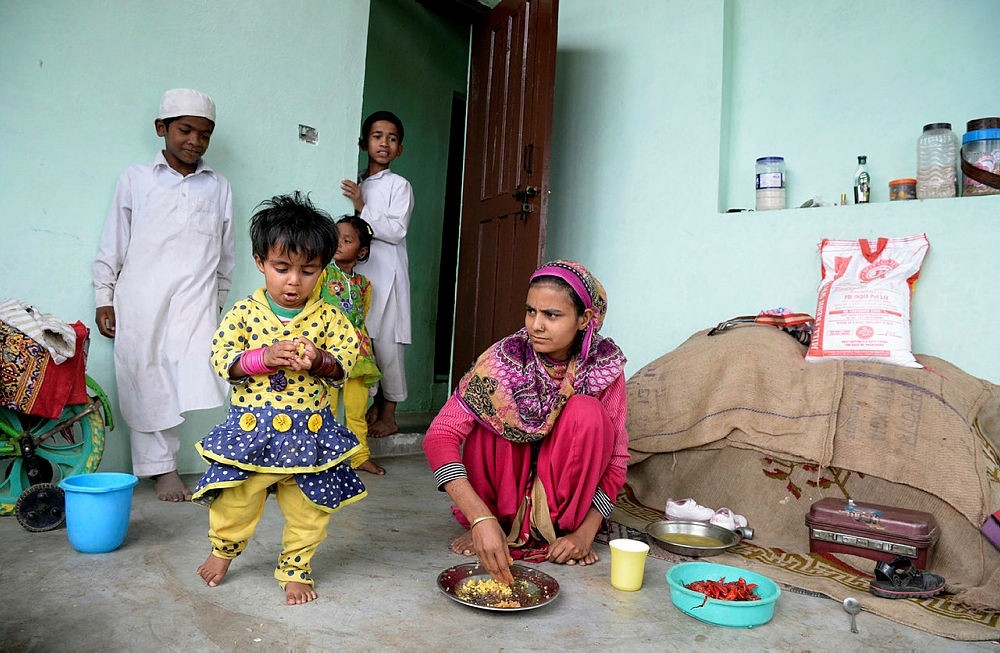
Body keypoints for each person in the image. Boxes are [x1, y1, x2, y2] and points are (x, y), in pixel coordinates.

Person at [192, 192, 367, 605]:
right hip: (252, 435)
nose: (294, 281)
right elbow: (222, 359)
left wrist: (321, 360)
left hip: (311, 436)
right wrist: (262, 358)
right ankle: (223, 550)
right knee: (235, 500)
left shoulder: (330, 318)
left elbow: (347, 361)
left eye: (308, 271)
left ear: (322, 270)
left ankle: (295, 566)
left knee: (311, 508)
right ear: (260, 263)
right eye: (281, 268)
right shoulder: (243, 313)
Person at [422, 260, 628, 585]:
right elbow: (440, 435)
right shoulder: (503, 360)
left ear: (584, 319)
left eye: (552, 315)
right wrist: (478, 516)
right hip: (497, 500)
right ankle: (497, 525)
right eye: (530, 311)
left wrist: (586, 534)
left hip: (564, 513)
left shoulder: (604, 368)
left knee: (586, 413)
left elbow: (616, 462)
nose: (536, 325)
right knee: (491, 410)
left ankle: (558, 532)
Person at [92, 88, 234, 502]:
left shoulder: (218, 186)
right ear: (162, 128)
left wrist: (218, 299)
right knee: (145, 376)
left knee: (193, 376)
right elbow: (113, 242)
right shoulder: (136, 178)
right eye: (185, 130)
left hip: (196, 299)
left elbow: (227, 252)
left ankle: (218, 461)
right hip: (141, 297)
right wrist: (104, 295)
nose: (194, 141)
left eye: (204, 134)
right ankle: (163, 470)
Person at [341, 110, 414, 438]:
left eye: (392, 138)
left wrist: (362, 208)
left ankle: (389, 414)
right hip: (361, 273)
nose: (384, 143)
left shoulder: (399, 185)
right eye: (376, 136)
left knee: (388, 345)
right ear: (363, 143)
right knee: (363, 341)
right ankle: (366, 408)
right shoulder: (356, 180)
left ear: (399, 149)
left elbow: (397, 231)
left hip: (389, 274)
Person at [320, 215, 385, 475]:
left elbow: (362, 316)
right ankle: (326, 458)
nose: (339, 244)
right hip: (328, 352)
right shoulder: (323, 275)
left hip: (358, 356)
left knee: (357, 410)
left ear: (362, 250)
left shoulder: (364, 285)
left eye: (347, 240)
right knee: (327, 407)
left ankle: (359, 456)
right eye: (337, 238)